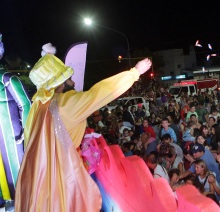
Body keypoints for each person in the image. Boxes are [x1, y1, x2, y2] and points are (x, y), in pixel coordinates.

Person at [14, 43, 152, 211]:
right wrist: (135, 73)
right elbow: (99, 93)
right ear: (60, 83)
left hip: (39, 180)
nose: (73, 81)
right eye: (69, 78)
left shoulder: (37, 107)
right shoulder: (65, 104)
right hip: (64, 177)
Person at [0, 28, 31, 200]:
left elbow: (26, 104)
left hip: (12, 139)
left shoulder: (4, 77)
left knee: (16, 172)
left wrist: (27, 132)